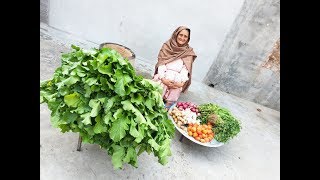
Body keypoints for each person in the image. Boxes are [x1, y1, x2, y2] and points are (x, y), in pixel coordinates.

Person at [152, 26, 197, 109]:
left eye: (185, 36)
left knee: (176, 88)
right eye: (181, 35)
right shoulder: (167, 46)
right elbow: (161, 64)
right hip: (164, 75)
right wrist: (163, 79)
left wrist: (181, 82)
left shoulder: (188, 52)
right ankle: (155, 103)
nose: (182, 38)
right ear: (176, 34)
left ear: (188, 39)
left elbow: (186, 69)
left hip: (177, 78)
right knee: (159, 87)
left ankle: (167, 107)